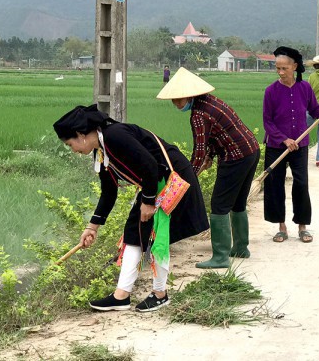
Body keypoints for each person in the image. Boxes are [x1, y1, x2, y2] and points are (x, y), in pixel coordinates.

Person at [53, 104, 208, 312]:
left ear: (81, 135)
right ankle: (121, 296)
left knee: (157, 235)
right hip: (153, 183)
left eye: (70, 144)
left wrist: (148, 201)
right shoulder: (101, 152)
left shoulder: (115, 136)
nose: (73, 150)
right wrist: (92, 227)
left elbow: (151, 165)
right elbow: (109, 191)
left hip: (171, 178)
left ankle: (160, 294)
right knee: (133, 233)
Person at [157, 68, 260, 269]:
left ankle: (220, 257)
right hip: (251, 151)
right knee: (238, 203)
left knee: (219, 205)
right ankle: (240, 248)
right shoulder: (212, 101)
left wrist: (187, 176)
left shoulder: (198, 114)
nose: (175, 104)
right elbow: (216, 134)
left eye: (178, 99)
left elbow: (199, 149)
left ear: (189, 95)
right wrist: (210, 157)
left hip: (235, 157)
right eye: (173, 100)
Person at [263, 46, 319, 243]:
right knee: (275, 186)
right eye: (277, 68)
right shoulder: (271, 91)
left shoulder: (304, 88)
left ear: (294, 67)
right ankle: (281, 227)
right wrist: (283, 139)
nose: (281, 72)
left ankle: (302, 227)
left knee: (301, 184)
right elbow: (267, 122)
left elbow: (315, 110)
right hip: (276, 146)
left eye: (284, 68)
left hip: (300, 144)